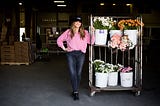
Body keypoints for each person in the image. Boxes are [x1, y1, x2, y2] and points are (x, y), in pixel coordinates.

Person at [57, 16, 95, 100]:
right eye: (76, 21)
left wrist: (93, 32)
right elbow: (59, 40)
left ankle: (75, 89)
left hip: (81, 54)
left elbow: (91, 42)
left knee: (78, 73)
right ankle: (75, 91)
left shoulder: (85, 32)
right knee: (72, 73)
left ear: (81, 23)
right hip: (70, 54)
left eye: (79, 21)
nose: (78, 23)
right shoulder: (68, 32)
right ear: (73, 23)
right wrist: (64, 48)